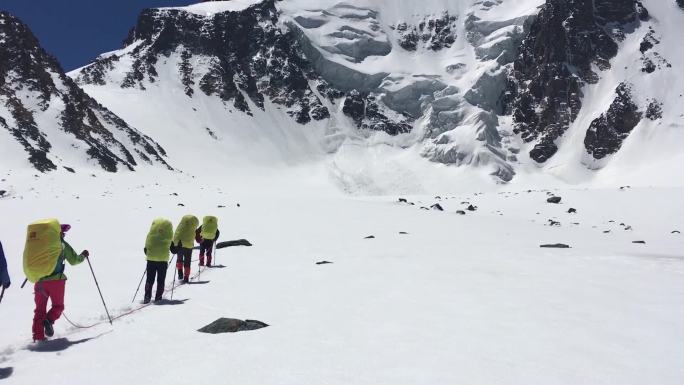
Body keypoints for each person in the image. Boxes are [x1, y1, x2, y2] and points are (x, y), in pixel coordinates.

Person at [32, 224, 89, 342]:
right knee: (58, 306)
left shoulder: (40, 244)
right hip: (56, 282)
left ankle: (38, 338)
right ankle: (49, 319)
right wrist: (83, 256)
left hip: (39, 281)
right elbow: (74, 261)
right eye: (63, 234)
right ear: (59, 234)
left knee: (39, 310)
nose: (64, 236)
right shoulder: (62, 245)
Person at [143, 219, 174, 304]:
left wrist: (150, 254)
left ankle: (147, 296)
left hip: (151, 260)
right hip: (162, 261)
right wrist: (179, 246)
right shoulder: (169, 236)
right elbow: (174, 250)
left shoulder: (150, 235)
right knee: (161, 280)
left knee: (149, 279)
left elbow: (146, 249)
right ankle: (158, 297)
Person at [172, 215, 198, 284]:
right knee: (187, 261)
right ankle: (186, 277)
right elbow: (196, 235)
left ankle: (180, 271)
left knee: (179, 259)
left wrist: (175, 243)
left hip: (180, 244)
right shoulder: (193, 227)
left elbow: (176, 234)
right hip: (189, 245)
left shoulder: (181, 225)